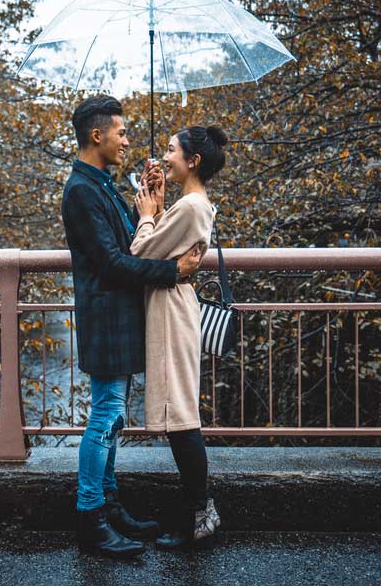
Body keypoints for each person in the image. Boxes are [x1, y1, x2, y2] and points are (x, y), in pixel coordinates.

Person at [61, 94, 203, 558]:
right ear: (97, 135)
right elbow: (113, 263)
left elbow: (135, 243)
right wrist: (172, 272)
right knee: (104, 416)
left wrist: (150, 199)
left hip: (118, 317)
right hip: (106, 318)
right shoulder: (81, 190)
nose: (126, 140)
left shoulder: (101, 184)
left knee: (112, 415)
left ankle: (110, 505)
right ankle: (91, 519)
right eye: (121, 132)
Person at [131, 124, 229, 550]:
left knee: (182, 418)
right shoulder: (191, 204)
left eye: (171, 151)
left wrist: (148, 215)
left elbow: (140, 253)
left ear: (193, 161)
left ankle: (201, 515)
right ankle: (197, 512)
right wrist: (160, 206)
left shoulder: (190, 207)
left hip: (172, 311)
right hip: (174, 307)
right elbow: (165, 249)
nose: (164, 157)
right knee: (180, 416)